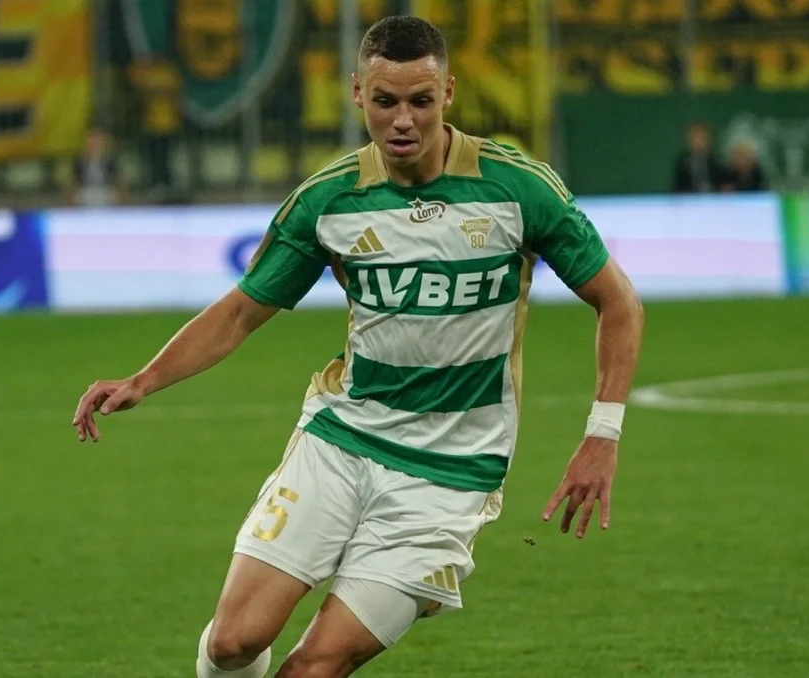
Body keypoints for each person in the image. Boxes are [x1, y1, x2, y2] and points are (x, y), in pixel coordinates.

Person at [72, 15, 644, 677]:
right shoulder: (331, 201)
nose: (403, 120)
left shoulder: (517, 189)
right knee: (234, 643)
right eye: (385, 101)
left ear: (448, 93)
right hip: (341, 442)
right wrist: (143, 379)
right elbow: (240, 313)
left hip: (450, 475)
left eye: (420, 101)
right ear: (357, 94)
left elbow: (619, 303)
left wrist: (603, 435)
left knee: (313, 667)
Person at [671, 120, 727, 194]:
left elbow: (725, 185)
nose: (698, 141)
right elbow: (677, 187)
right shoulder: (682, 163)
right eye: (695, 137)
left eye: (701, 137)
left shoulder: (717, 162)